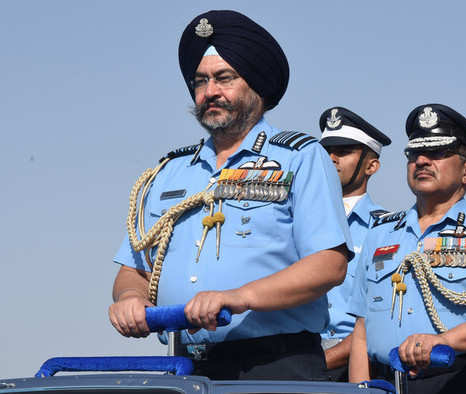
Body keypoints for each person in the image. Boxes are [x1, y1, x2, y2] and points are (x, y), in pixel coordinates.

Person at [108, 10, 353, 381]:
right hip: (185, 367)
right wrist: (129, 299)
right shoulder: (169, 172)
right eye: (200, 81)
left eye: (225, 78)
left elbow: (329, 264)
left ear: (256, 85)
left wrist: (238, 297)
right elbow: (134, 269)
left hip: (276, 365)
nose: (210, 92)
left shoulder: (300, 157)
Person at [348, 103, 466, 393]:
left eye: (437, 153)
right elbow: (361, 330)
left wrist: (443, 341)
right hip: (384, 384)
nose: (422, 161)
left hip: (463, 381)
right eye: (414, 154)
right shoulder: (380, 233)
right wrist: (359, 389)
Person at [316, 106, 391, 381]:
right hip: (295, 359)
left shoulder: (387, 231)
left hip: (356, 365)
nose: (332, 158)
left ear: (371, 166)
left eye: (344, 151)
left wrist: (322, 361)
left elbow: (378, 319)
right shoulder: (295, 221)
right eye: (326, 152)